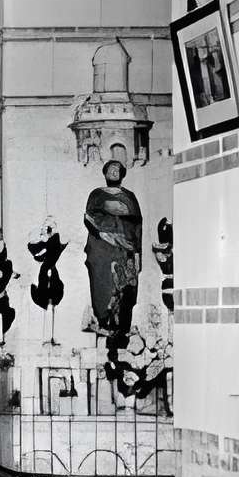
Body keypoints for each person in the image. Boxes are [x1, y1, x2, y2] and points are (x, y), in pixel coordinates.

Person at [84, 155, 142, 375]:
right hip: (103, 249)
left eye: (118, 169)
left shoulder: (130, 197)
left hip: (125, 250)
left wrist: (136, 255)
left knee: (124, 290)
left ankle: (120, 334)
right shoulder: (97, 195)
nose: (114, 172)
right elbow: (89, 217)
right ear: (105, 173)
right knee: (105, 287)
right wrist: (106, 232)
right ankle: (106, 326)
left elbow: (137, 226)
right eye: (111, 169)